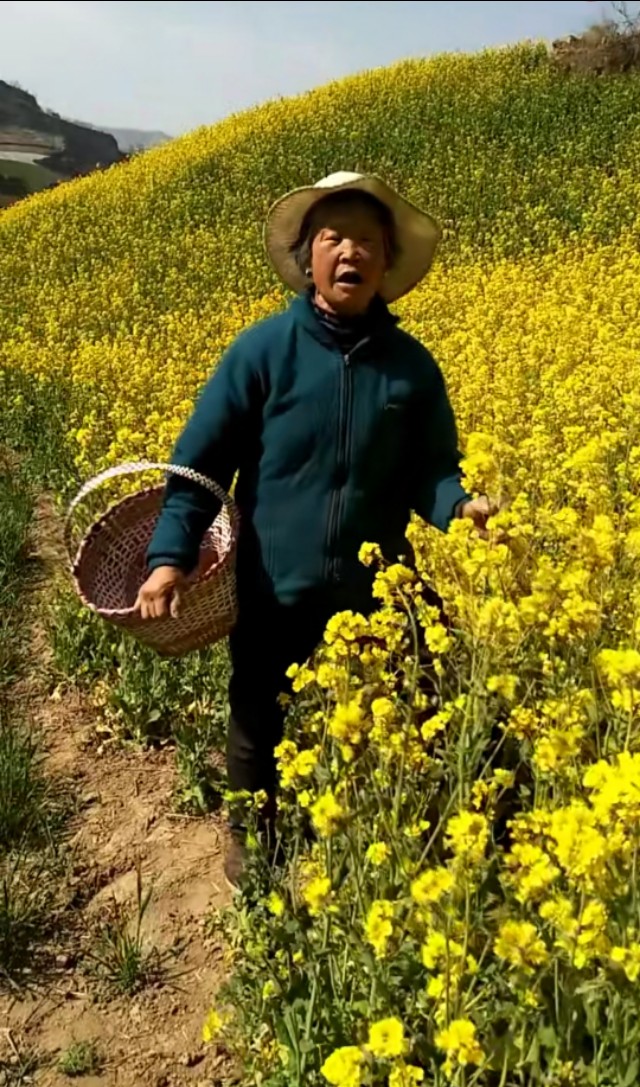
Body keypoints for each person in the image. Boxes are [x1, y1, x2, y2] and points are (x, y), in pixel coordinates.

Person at [135, 171, 495, 888]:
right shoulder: (262, 352)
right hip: (277, 579)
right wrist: (170, 555)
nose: (350, 252)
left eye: (367, 239)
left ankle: (399, 831)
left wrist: (459, 504)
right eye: (333, 237)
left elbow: (432, 469)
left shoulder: (412, 368)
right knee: (258, 711)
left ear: (387, 264)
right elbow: (201, 467)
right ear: (309, 259)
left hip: (376, 586)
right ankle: (252, 831)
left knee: (419, 702)